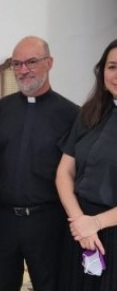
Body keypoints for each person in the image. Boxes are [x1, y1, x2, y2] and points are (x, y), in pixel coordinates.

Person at [0, 36, 79, 291]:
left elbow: (75, 171)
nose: (23, 70)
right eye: (17, 64)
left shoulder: (72, 115)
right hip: (3, 217)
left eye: (31, 62)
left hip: (48, 220)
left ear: (49, 63)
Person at [55, 39, 117, 290]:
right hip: (80, 228)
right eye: (112, 66)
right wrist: (80, 221)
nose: (116, 74)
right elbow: (64, 172)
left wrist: (97, 223)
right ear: (102, 72)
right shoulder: (89, 113)